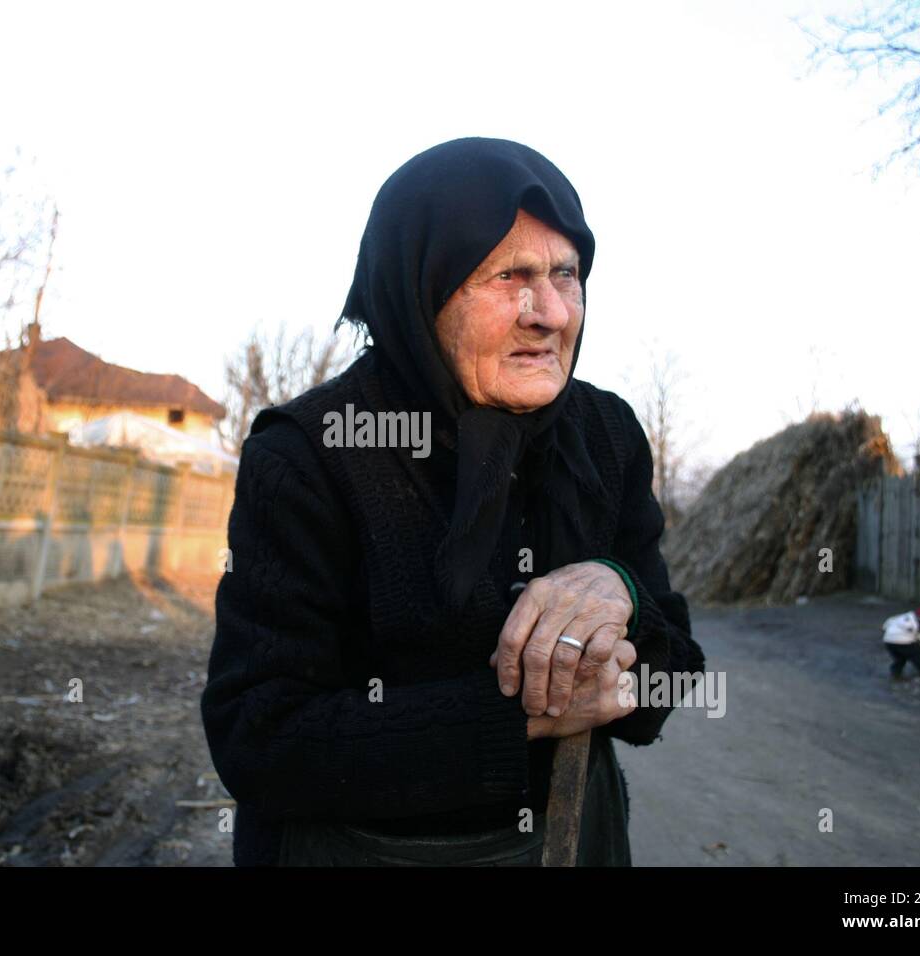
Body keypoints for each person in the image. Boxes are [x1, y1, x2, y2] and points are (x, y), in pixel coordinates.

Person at [200, 137, 704, 866]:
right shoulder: (314, 452)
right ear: (420, 287)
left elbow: (670, 674)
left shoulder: (603, 434)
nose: (552, 313)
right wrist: (527, 711)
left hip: (572, 843)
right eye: (511, 277)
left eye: (567, 274)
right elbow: (260, 736)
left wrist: (617, 590)